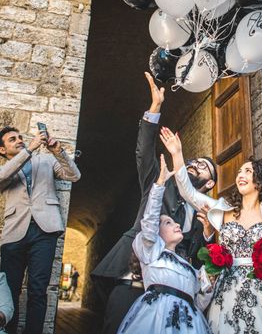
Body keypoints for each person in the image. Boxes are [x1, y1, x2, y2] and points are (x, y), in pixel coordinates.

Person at [92, 73, 216, 334]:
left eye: (203, 167)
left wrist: (205, 235)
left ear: (210, 184)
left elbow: (195, 257)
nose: (195, 165)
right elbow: (143, 151)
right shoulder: (159, 181)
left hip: (175, 299)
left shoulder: (205, 210)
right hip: (132, 283)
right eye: (193, 162)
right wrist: (155, 108)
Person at [160, 127, 262, 333]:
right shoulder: (223, 210)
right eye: (240, 171)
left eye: (248, 171)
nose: (241, 174)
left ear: (261, 179)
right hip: (228, 293)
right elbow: (188, 192)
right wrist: (177, 154)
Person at [0, 126, 81, 334]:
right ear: (3, 150)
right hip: (14, 233)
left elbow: (74, 175)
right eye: (12, 139)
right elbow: (0, 178)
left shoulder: (46, 161)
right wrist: (29, 149)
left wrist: (58, 151)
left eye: (20, 137)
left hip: (45, 231)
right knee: (9, 291)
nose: (19, 140)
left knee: (38, 290)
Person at [118, 154, 212, 333]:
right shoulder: (151, 253)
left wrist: (208, 285)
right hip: (156, 318)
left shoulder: (189, 268)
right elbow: (150, 219)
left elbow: (199, 301)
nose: (177, 224)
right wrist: (160, 182)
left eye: (174, 222)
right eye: (168, 222)